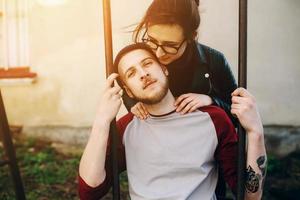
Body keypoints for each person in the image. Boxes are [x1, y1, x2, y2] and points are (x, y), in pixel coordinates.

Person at [78, 43, 267, 200]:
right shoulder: (127, 127)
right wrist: (102, 120)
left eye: (147, 63)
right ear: (128, 91)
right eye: (131, 73)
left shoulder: (212, 118)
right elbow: (90, 190)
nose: (143, 74)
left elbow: (249, 195)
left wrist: (255, 132)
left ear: (164, 69)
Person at [122, 0, 237, 124]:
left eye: (170, 45)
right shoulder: (139, 56)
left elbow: (238, 115)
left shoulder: (214, 60)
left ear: (192, 36)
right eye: (152, 40)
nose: (158, 53)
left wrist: (210, 101)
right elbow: (127, 92)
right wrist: (135, 105)